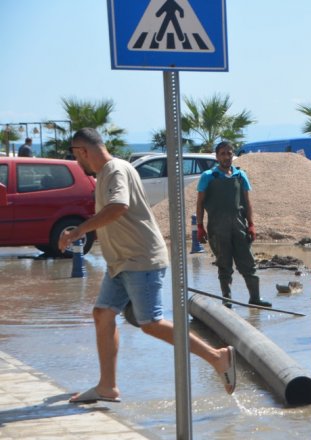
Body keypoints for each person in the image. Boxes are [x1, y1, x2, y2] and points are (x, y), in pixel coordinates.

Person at [59, 128, 235, 403]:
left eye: (75, 155)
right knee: (103, 314)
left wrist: (79, 230)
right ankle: (107, 386)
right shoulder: (108, 172)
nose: (77, 163)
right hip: (120, 262)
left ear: (82, 151)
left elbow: (118, 206)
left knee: (150, 323)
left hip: (140, 259)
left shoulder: (115, 169)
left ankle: (217, 356)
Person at [196, 141, 272, 308]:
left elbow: (247, 202)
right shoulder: (208, 176)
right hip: (217, 228)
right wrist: (200, 227)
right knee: (224, 264)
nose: (226, 157)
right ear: (217, 157)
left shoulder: (240, 175)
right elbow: (200, 203)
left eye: (229, 153)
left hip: (239, 225)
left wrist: (251, 224)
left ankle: (255, 299)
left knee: (248, 263)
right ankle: (227, 300)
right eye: (222, 154)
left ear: (233, 155)